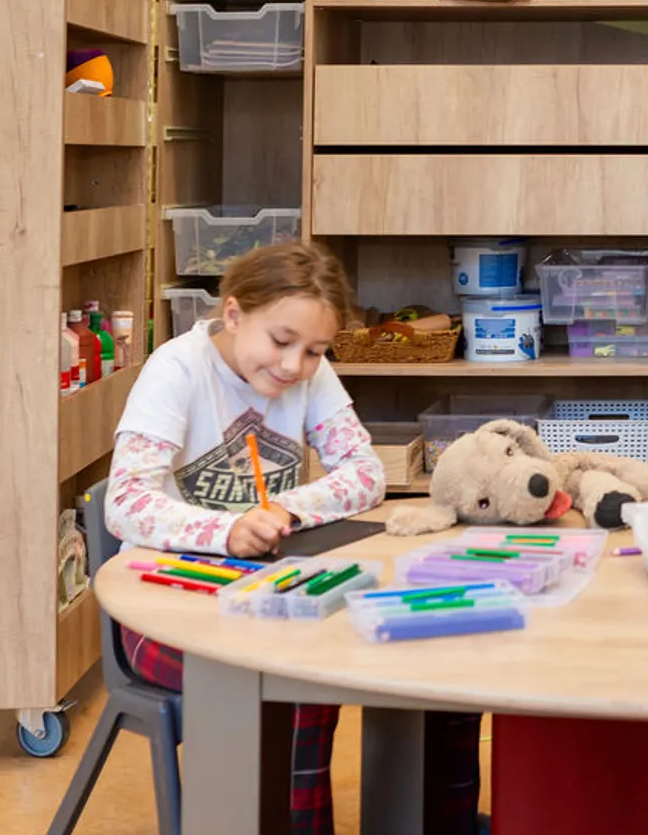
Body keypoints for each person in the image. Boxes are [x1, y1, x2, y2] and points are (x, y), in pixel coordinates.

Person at [104, 242, 483, 834]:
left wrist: (284, 509)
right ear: (234, 314)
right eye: (281, 341)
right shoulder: (176, 371)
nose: (293, 366)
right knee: (300, 678)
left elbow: (365, 473)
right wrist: (228, 529)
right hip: (165, 610)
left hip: (271, 585)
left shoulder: (308, 368)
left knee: (434, 643)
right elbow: (125, 503)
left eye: (315, 351)